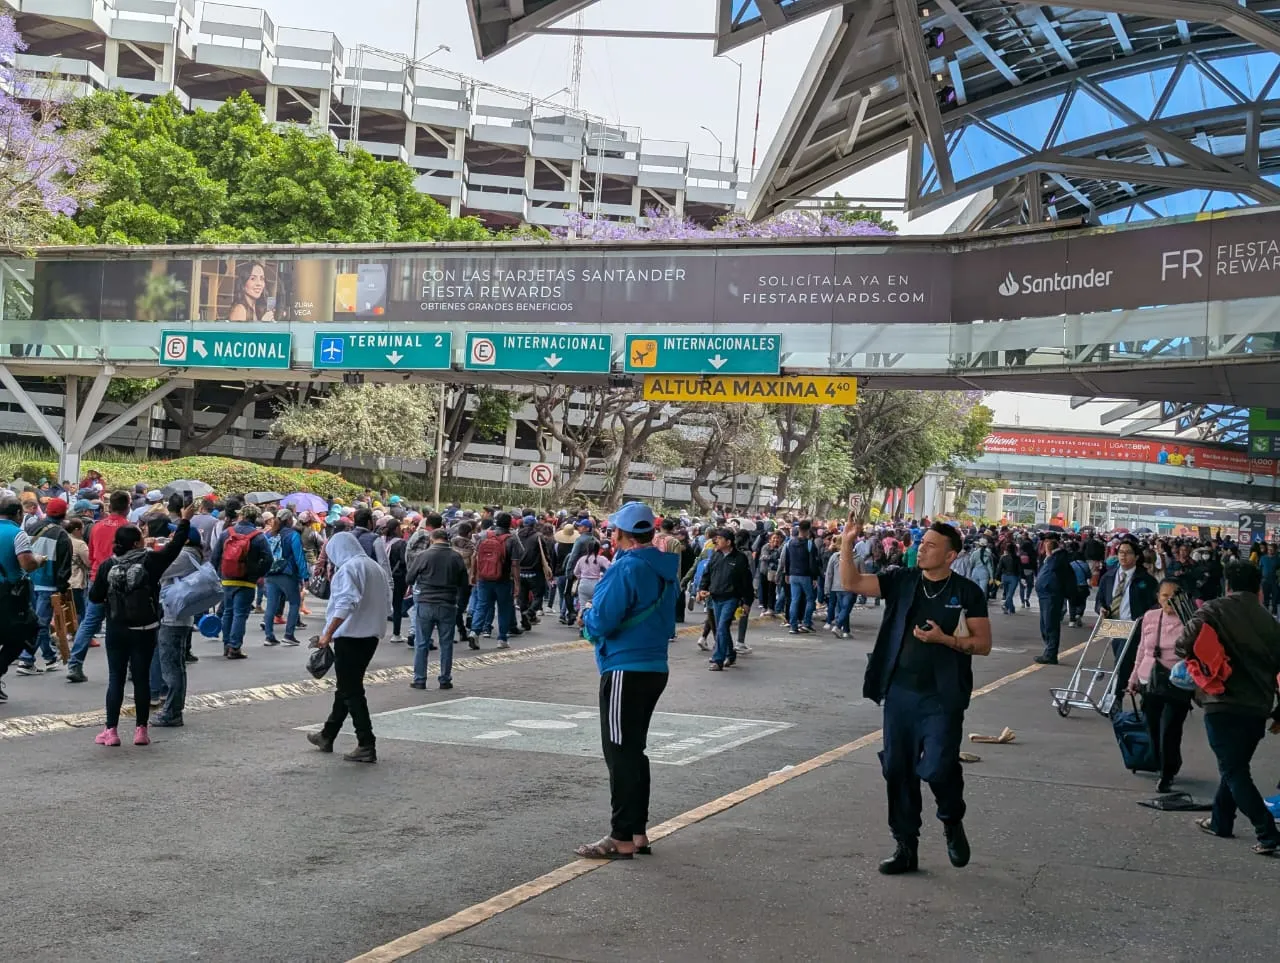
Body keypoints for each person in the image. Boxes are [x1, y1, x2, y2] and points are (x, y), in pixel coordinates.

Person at [840, 516, 992, 875]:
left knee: (938, 766)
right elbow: (851, 581)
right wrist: (847, 542)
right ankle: (905, 846)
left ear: (951, 555)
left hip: (942, 696)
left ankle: (951, 818)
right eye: (921, 543)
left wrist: (946, 640)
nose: (921, 548)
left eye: (930, 545)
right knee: (897, 769)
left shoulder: (967, 592)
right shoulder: (902, 580)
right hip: (899, 693)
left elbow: (983, 644)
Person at [576, 502, 677, 860]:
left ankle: (620, 835)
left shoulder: (627, 568)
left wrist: (587, 615)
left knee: (619, 752)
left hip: (624, 666)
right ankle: (637, 831)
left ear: (620, 534)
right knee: (634, 750)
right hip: (653, 666)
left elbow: (602, 620)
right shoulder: (664, 567)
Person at [1176, 563, 1280, 854]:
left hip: (1221, 701)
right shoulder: (1270, 622)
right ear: (1258, 587)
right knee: (1235, 766)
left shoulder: (1212, 610)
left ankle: (1267, 832)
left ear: (1227, 584)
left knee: (1234, 771)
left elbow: (1183, 644)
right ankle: (1221, 822)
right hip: (1257, 707)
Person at [88, 505, 195, 747]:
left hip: (116, 629)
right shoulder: (150, 561)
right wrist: (185, 521)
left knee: (115, 678)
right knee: (142, 678)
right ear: (137, 543)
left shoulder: (107, 565)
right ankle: (141, 730)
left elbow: (94, 597)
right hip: (146, 628)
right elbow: (174, 547)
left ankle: (111, 731)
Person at [306, 532, 391, 763]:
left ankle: (366, 742)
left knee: (352, 690)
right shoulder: (375, 567)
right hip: (370, 635)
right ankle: (327, 734)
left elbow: (345, 602)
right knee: (347, 687)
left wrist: (328, 633)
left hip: (351, 637)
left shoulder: (348, 569)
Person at [1125, 579, 1192, 792]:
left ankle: (1167, 772)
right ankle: (1161, 763)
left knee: (1170, 728)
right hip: (1149, 679)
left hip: (1178, 682)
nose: (1169, 600)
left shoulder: (1190, 621)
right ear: (1158, 597)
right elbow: (1142, 649)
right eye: (1165, 595)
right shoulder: (1150, 617)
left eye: (1174, 596)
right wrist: (1133, 678)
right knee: (1152, 726)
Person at [67, 489, 134, 683]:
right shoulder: (129, 528)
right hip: (121, 579)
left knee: (89, 622)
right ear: (128, 506)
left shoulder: (97, 526)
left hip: (97, 577)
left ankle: (74, 663)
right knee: (127, 622)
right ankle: (130, 666)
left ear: (110, 506)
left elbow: (93, 555)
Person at [153, 525, 205, 727]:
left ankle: (172, 712)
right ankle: (173, 709)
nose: (171, 536)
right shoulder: (190, 553)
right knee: (176, 665)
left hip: (173, 616)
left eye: (175, 534)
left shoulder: (184, 556)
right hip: (180, 616)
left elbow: (158, 567)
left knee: (171, 666)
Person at [407, 528, 469, 691]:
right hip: (448, 603)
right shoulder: (456, 557)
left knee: (421, 643)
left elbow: (409, 578)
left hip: (426, 602)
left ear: (432, 539)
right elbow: (464, 583)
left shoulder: (424, 555)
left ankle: (419, 679)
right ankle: (445, 679)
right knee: (446, 643)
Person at [211, 501, 272, 660]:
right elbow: (268, 559)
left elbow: (215, 556)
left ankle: (226, 645)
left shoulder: (227, 533)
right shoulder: (258, 537)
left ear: (241, 515)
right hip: (247, 581)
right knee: (240, 614)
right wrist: (257, 574)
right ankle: (235, 647)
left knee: (228, 612)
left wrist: (220, 574)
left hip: (228, 579)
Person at [20, 497, 73, 674]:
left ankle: (49, 657)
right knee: (41, 623)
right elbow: (64, 566)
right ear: (64, 514)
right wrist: (62, 586)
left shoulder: (31, 527)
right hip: (48, 585)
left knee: (35, 621)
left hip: (28, 580)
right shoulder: (62, 535)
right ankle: (26, 659)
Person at [1096, 538, 1159, 684]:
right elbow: (1100, 601)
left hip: (1134, 627)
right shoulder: (1108, 577)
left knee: (1122, 663)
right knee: (1122, 660)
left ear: (1136, 557)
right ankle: (1129, 687)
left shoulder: (1146, 580)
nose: (1123, 556)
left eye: (1128, 553)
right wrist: (1101, 609)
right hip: (1113, 625)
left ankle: (1115, 696)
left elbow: (1155, 605)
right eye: (1121, 552)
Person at [0, 498, 44, 703]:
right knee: (25, 631)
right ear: (18, 513)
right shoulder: (18, 534)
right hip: (9, 595)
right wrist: (39, 559)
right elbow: (27, 564)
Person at [697, 528, 755, 671]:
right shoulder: (716, 556)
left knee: (722, 627)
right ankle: (730, 653)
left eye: (720, 538)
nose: (716, 541)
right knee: (721, 628)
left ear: (728, 542)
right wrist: (702, 589)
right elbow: (707, 574)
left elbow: (746, 582)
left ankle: (718, 659)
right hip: (715, 597)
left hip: (731, 598)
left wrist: (747, 602)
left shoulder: (740, 558)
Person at [470, 511, 522, 649]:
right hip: (503, 579)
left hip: (484, 577)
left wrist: (473, 574)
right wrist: (517, 583)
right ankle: (502, 638)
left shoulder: (483, 536)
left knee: (482, 605)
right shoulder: (512, 539)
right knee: (504, 608)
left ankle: (474, 632)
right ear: (510, 524)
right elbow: (515, 563)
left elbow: (475, 556)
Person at [262, 509, 309, 647]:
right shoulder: (293, 535)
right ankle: (289, 634)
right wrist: (305, 576)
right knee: (294, 602)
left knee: (271, 604)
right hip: (287, 573)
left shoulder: (268, 534)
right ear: (289, 520)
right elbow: (299, 557)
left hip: (271, 573)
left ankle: (269, 636)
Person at [1033, 532, 1076, 665]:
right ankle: (1048, 650)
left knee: (1050, 624)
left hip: (1052, 595)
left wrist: (1049, 553)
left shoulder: (1058, 557)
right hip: (1045, 595)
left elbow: (1054, 569)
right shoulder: (1050, 557)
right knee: (1045, 625)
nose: (1044, 544)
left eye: (1046, 541)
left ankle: (1051, 653)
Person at [997, 542, 1021, 616]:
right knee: (1010, 594)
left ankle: (1011, 608)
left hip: (1004, 577)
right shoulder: (1017, 558)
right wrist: (1021, 578)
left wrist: (997, 579)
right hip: (1014, 577)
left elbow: (999, 569)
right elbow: (1020, 569)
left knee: (1008, 593)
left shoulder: (1003, 557)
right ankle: (1005, 605)